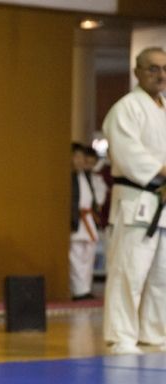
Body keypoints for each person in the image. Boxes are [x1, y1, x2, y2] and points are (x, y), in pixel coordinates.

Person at [101, 46, 166, 355]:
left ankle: (155, 334)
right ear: (137, 71)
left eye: (164, 69)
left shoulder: (164, 108)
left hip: (162, 205)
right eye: (153, 68)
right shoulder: (126, 108)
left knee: (161, 277)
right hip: (136, 200)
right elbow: (129, 155)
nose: (160, 74)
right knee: (129, 273)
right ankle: (122, 337)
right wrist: (161, 172)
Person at [69, 143, 100, 300]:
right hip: (77, 219)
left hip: (88, 219)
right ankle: (78, 290)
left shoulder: (85, 176)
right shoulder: (69, 177)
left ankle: (85, 288)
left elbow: (91, 199)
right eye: (78, 157)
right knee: (76, 257)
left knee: (88, 256)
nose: (81, 161)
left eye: (82, 157)